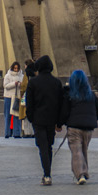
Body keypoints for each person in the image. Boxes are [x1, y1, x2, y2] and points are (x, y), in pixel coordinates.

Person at [23, 55, 67, 185]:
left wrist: (31, 117)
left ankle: (47, 174)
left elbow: (29, 103)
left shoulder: (33, 83)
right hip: (51, 120)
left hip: (38, 119)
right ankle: (47, 173)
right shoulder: (56, 82)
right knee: (48, 146)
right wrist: (59, 122)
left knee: (42, 147)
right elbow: (61, 103)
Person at [62, 68, 98, 185]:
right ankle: (84, 172)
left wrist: (61, 123)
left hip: (74, 127)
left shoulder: (70, 95)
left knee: (76, 151)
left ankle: (80, 174)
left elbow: (65, 112)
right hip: (88, 128)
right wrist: (92, 120)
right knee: (83, 150)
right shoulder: (91, 95)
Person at [2, 61, 25, 138]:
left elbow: (24, 85)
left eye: (17, 68)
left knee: (17, 116)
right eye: (15, 68)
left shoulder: (22, 76)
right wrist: (14, 84)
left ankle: (17, 133)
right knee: (7, 115)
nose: (16, 69)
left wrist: (20, 85)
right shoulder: (7, 75)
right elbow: (5, 86)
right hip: (8, 97)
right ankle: (7, 133)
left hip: (17, 97)